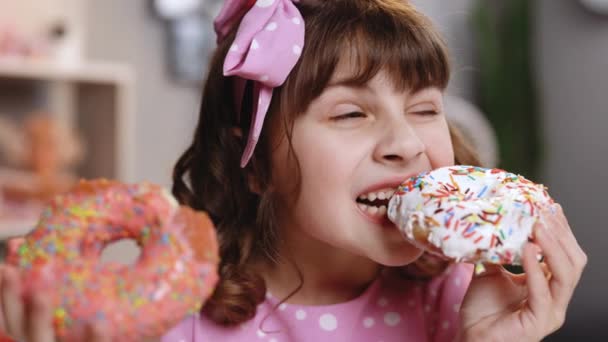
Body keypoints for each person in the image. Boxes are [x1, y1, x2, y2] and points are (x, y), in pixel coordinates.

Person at [0, 0, 586, 341]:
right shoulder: (178, 321)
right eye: (352, 112)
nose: (406, 143)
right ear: (253, 166)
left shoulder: (464, 299)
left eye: (426, 108)